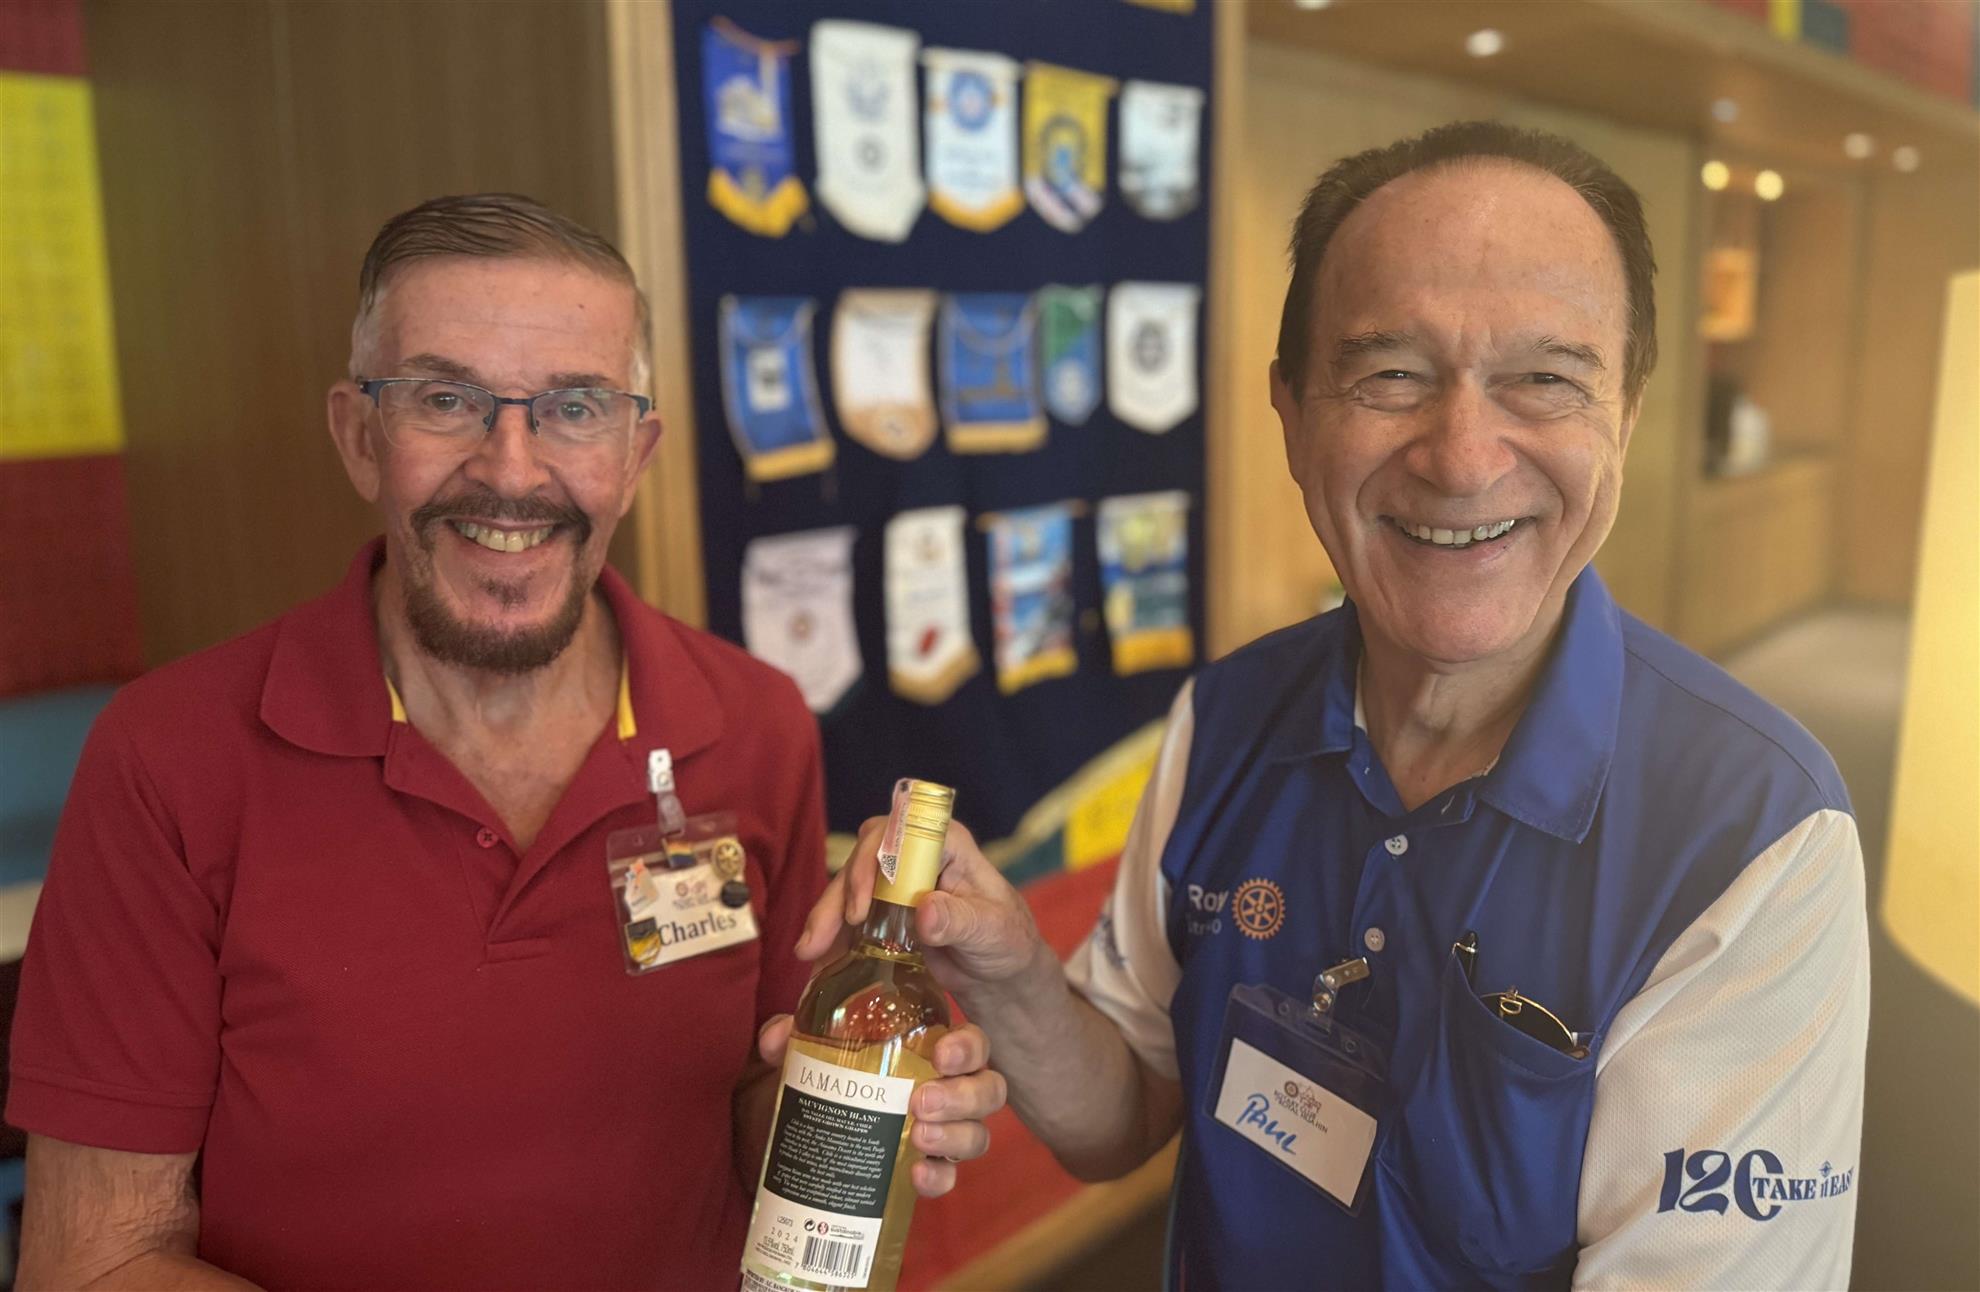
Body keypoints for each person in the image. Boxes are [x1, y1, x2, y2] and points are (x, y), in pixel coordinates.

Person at [803, 122, 1869, 1289]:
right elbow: (1125, 1113)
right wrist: (1009, 972)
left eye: (1546, 379)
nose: (1462, 458)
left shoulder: (1755, 834)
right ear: (1294, 414)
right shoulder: (1227, 715)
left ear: (1626, 412)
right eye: (1391, 375)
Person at [9, 194, 1003, 1291]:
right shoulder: (169, 759)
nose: (513, 470)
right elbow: (91, 1263)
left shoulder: (754, 722)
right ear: (359, 436)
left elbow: (747, 1111)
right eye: (447, 399)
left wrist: (867, 1100)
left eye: (575, 408)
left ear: (636, 452)